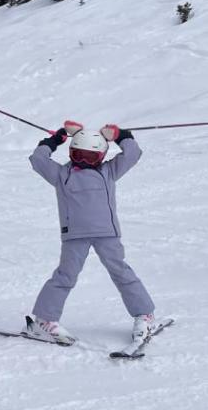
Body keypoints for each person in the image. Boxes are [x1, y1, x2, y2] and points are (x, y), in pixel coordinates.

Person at [25, 121, 159, 344]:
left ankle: (144, 315)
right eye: (79, 155)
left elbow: (133, 153)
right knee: (65, 275)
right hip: (74, 235)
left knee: (121, 272)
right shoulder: (62, 174)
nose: (84, 162)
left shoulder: (109, 171)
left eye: (90, 157)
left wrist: (120, 135)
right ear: (71, 152)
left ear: (102, 156)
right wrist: (55, 139)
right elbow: (38, 159)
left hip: (106, 233)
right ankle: (44, 320)